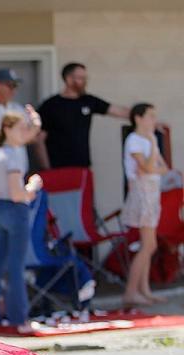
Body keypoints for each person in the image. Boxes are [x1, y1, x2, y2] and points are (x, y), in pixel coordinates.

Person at [0, 110, 44, 331]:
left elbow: (32, 132)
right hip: (15, 210)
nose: (25, 133)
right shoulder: (13, 155)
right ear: (8, 129)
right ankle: (20, 319)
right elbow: (19, 194)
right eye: (20, 128)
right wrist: (33, 186)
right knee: (16, 266)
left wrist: (34, 119)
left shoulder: (0, 151)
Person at [35, 63, 130, 170]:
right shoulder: (51, 105)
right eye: (81, 78)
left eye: (85, 78)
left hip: (82, 165)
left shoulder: (88, 101)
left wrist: (143, 115)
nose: (85, 81)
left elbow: (117, 111)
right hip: (57, 166)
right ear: (69, 79)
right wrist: (46, 168)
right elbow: (39, 139)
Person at [121, 103, 168, 308]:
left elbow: (163, 168)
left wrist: (152, 167)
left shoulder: (150, 141)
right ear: (138, 118)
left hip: (152, 191)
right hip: (142, 193)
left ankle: (144, 290)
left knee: (148, 245)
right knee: (148, 245)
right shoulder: (135, 140)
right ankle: (131, 292)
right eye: (150, 116)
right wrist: (151, 162)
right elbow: (148, 166)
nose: (153, 120)